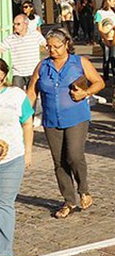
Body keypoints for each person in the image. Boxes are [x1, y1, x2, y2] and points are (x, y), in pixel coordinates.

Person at [27, 28, 105, 219]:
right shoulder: (42, 66)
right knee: (59, 162)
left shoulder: (79, 62)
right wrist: (23, 115)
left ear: (66, 44)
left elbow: (99, 82)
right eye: (49, 46)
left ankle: (84, 189)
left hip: (76, 117)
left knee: (74, 155)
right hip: (51, 119)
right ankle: (68, 201)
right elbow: (31, 92)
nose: (52, 50)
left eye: (56, 46)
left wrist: (85, 93)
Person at [0, 59, 34, 255]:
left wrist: (28, 153)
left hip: (12, 158)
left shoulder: (16, 95)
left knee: (4, 204)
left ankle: (5, 251)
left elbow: (27, 123)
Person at [0, 15, 46, 89]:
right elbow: (1, 48)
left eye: (18, 24)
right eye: (14, 24)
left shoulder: (35, 34)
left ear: (25, 24)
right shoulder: (11, 38)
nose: (15, 26)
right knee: (16, 96)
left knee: (32, 97)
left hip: (33, 72)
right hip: (18, 73)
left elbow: (46, 45)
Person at [94, 0, 115, 81]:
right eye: (113, 1)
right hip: (104, 38)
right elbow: (100, 28)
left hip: (113, 38)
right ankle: (106, 76)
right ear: (107, 1)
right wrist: (104, 38)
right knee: (107, 57)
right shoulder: (99, 13)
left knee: (114, 57)